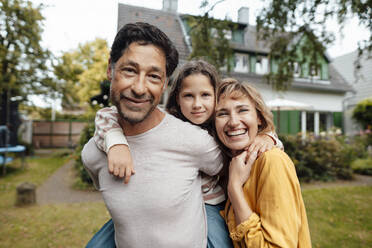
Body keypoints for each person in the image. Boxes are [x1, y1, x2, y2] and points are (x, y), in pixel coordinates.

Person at [88, 59, 283, 247]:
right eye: (189, 96)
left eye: (205, 95)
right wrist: (115, 141)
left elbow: (258, 133)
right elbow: (106, 114)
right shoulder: (166, 122)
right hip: (161, 207)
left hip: (209, 205)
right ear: (177, 99)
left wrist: (268, 138)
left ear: (216, 97)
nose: (197, 104)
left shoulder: (224, 125)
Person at [82, 22, 223, 248]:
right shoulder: (93, 154)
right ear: (110, 69)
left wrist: (267, 137)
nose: (139, 88)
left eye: (154, 76)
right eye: (130, 70)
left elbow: (241, 160)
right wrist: (114, 139)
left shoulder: (195, 141)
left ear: (165, 84)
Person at [214, 78, 312, 248]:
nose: (233, 122)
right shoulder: (233, 164)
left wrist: (234, 189)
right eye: (222, 113)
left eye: (242, 110)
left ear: (259, 117)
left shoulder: (272, 161)